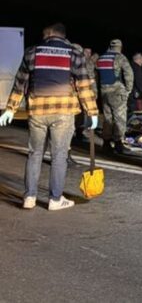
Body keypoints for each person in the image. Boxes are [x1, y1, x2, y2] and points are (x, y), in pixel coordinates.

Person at [0, 23, 98, 211]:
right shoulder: (73, 54)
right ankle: (55, 199)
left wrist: (10, 109)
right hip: (64, 111)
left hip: (38, 110)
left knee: (34, 153)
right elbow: (83, 85)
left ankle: (29, 197)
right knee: (59, 156)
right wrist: (92, 112)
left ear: (50, 34)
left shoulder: (32, 52)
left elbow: (20, 82)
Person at [97, 39, 133, 154]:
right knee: (120, 118)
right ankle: (118, 144)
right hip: (117, 91)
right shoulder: (120, 57)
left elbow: (96, 75)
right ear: (120, 47)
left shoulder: (101, 58)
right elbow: (129, 73)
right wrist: (128, 89)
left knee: (107, 118)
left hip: (104, 91)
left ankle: (106, 144)